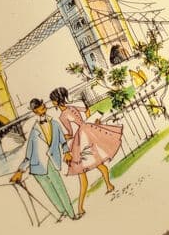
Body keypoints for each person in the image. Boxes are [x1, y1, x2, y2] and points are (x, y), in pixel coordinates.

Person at [50, 86, 122, 217]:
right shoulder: (72, 107)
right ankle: (109, 185)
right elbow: (87, 110)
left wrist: (61, 138)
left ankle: (80, 207)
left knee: (82, 172)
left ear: (56, 101)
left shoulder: (62, 115)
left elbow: (70, 133)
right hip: (88, 130)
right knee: (98, 162)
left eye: (53, 100)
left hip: (81, 139)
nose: (52, 103)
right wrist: (88, 121)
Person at [10, 98, 77, 221]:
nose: (44, 109)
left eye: (44, 107)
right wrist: (20, 171)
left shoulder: (55, 124)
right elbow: (29, 153)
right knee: (49, 191)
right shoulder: (34, 130)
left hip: (51, 161)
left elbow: (62, 141)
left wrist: (67, 152)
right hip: (37, 166)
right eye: (41, 109)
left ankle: (71, 214)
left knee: (60, 187)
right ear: (35, 111)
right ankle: (62, 212)